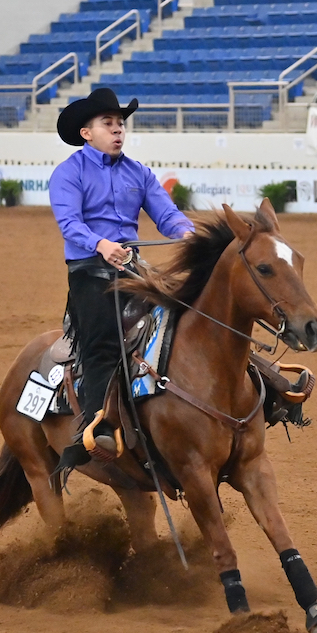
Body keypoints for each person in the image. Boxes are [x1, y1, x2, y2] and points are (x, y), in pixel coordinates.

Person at [49, 88, 195, 459]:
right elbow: (70, 223)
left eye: (120, 124)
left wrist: (191, 235)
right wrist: (101, 245)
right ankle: (96, 427)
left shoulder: (139, 173)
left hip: (131, 269)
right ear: (87, 133)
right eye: (108, 123)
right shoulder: (68, 174)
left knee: (192, 311)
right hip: (89, 273)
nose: (118, 130)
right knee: (102, 342)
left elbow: (167, 215)